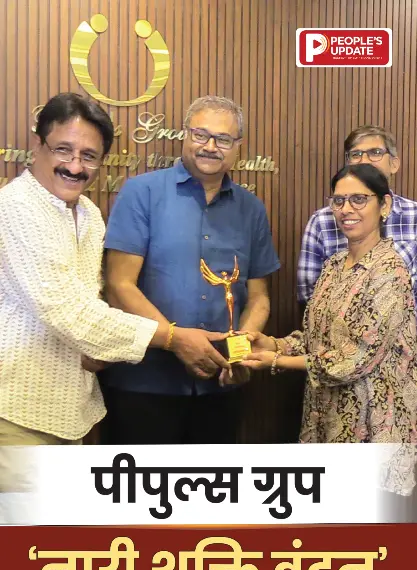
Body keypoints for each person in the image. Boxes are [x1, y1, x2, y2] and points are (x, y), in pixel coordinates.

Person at [0, 92, 227, 447]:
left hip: (73, 411)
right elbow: (69, 313)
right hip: (16, 412)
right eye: (63, 150)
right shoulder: (15, 207)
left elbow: (92, 301)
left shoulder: (88, 214)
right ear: (38, 145)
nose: (75, 166)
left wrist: (102, 349)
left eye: (88, 156)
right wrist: (173, 338)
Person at [101, 95, 280, 444]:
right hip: (144, 383)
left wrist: (239, 355)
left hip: (221, 388)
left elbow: (259, 298)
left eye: (223, 139)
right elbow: (119, 286)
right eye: (201, 135)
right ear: (185, 135)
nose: (210, 147)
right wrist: (177, 341)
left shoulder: (251, 209)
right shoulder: (141, 192)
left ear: (238, 146)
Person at [242, 164, 417, 493]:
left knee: (368, 519)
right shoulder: (334, 265)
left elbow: (356, 358)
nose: (346, 209)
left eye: (358, 199)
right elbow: (316, 339)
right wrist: (273, 344)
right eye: (338, 201)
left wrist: (277, 361)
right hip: (325, 414)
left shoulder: (390, 271)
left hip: (373, 425)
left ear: (384, 205)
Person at [297, 125, 417, 304]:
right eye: (356, 154)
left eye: (375, 153)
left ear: (394, 164)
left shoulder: (414, 217)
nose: (364, 161)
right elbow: (309, 295)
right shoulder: (322, 221)